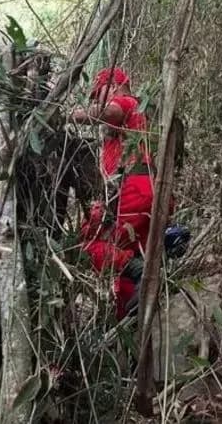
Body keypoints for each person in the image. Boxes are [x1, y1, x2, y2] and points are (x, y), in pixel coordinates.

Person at [70, 67, 154, 319]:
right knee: (121, 263)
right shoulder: (125, 129)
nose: (96, 100)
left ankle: (142, 271)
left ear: (115, 85)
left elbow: (110, 111)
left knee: (81, 241)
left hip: (132, 190)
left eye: (99, 93)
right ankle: (129, 318)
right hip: (140, 195)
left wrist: (67, 116)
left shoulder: (127, 103)